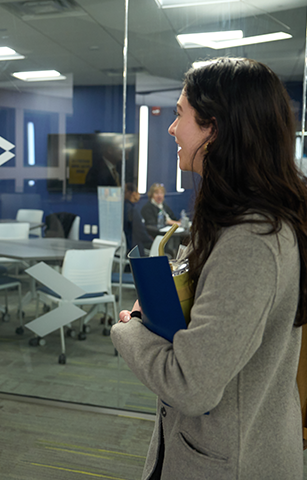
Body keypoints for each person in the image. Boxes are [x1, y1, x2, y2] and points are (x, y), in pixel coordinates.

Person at [111, 57, 307, 479]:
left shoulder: (252, 241)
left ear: (214, 128)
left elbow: (190, 385)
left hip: (232, 462)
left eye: (180, 114)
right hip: (222, 447)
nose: (171, 128)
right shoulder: (236, 221)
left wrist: (129, 329)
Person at [124, 183, 153, 256]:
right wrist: (151, 240)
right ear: (133, 194)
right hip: (134, 247)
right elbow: (140, 232)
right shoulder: (132, 210)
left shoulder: (124, 207)